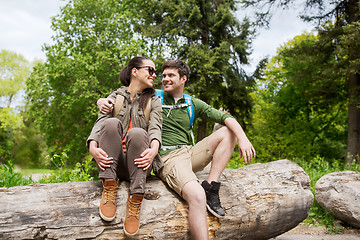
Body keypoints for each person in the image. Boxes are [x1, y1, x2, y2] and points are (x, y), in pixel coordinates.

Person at [97, 60, 255, 240]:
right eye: (163, 75)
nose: (164, 79)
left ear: (183, 79)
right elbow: (127, 92)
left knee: (229, 131)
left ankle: (211, 185)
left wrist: (243, 139)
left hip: (190, 152)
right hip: (168, 156)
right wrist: (101, 101)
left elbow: (225, 117)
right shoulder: (152, 95)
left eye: (171, 75)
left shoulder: (191, 102)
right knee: (197, 196)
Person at [87, 56, 163, 236]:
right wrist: (92, 147)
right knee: (111, 123)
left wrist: (153, 150)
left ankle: (136, 198)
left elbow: (155, 128)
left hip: (139, 165)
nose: (154, 75)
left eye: (155, 72)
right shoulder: (114, 97)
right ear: (134, 72)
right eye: (150, 70)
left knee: (136, 133)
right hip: (113, 163)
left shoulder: (154, 101)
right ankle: (109, 186)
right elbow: (100, 124)